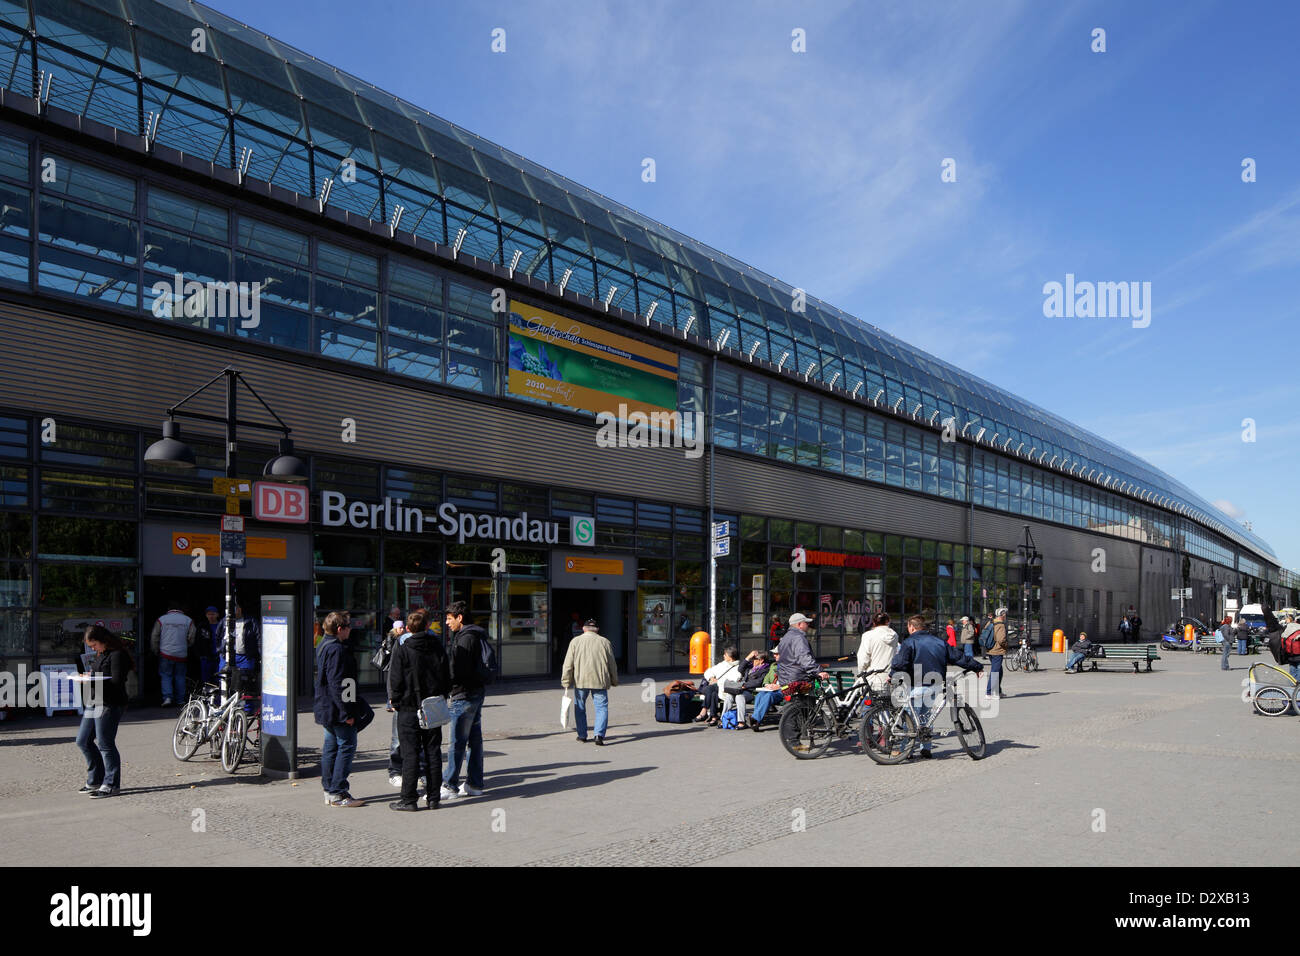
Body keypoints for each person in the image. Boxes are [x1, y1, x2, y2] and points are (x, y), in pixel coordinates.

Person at [889, 614, 983, 757]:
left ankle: (904, 750)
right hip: (935, 684)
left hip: (915, 684)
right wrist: (976, 666)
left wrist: (892, 674)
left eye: (908, 627)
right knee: (927, 716)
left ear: (912, 627)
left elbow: (901, 663)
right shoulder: (939, 641)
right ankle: (926, 747)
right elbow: (957, 657)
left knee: (911, 719)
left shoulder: (909, 642)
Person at [387, 608, 451, 811]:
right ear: (427, 626)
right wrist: (442, 694)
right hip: (431, 704)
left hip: (407, 706)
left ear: (408, 628)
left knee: (410, 753)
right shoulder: (437, 646)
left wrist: (394, 700)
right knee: (433, 751)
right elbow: (446, 674)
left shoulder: (403, 647)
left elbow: (395, 677)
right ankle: (433, 798)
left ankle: (409, 799)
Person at [76, 624, 134, 798]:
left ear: (103, 640)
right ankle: (95, 779)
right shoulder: (102, 654)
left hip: (110, 703)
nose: (93, 649)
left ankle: (111, 784)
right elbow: (96, 673)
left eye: (94, 645)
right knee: (83, 740)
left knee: (105, 743)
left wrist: (91, 679)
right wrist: (88, 677)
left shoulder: (117, 655)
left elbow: (115, 681)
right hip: (95, 700)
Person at [314, 611, 363, 808]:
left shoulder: (324, 644)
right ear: (340, 629)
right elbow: (338, 684)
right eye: (348, 626)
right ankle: (338, 791)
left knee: (331, 747)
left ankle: (329, 789)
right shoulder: (336, 649)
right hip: (337, 708)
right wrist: (347, 713)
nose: (351, 630)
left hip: (327, 707)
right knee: (346, 746)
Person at [440, 600, 489, 799]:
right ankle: (474, 784)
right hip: (476, 692)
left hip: (464, 695)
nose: (446, 622)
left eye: (449, 618)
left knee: (457, 742)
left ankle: (450, 785)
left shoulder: (465, 638)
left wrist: (448, 686)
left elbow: (459, 670)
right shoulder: (476, 634)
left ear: (460, 618)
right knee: (474, 740)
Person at [560, 618, 619, 744]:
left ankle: (582, 735)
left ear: (584, 628)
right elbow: (612, 664)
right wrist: (614, 680)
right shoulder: (605, 642)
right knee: (601, 708)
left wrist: (566, 681)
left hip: (581, 680)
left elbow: (568, 664)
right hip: (600, 680)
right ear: (597, 629)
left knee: (580, 707)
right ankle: (599, 735)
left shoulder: (575, 641)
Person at [216, 603, 260, 714]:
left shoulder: (251, 621)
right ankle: (225, 708)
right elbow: (217, 636)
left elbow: (259, 637)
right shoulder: (224, 621)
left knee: (246, 682)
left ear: (240, 609)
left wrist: (259, 655)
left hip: (245, 656)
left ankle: (247, 709)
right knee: (225, 681)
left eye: (236, 609)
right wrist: (220, 650)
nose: (233, 611)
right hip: (227, 656)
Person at [151, 604, 195, 706]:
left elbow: (154, 636)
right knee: (180, 676)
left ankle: (167, 698)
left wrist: (155, 650)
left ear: (168, 609)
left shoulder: (162, 619)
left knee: (166, 676)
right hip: (182, 654)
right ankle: (180, 700)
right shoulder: (188, 620)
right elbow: (192, 637)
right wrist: (186, 646)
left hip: (165, 653)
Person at [696, 647, 742, 724]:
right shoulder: (723, 664)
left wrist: (718, 681)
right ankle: (713, 716)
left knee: (710, 689)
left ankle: (704, 710)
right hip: (716, 687)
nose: (723, 656)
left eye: (725, 655)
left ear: (730, 657)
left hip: (726, 688)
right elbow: (709, 671)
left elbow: (733, 680)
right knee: (713, 692)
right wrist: (711, 678)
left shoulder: (738, 667)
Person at [857, 612, 898, 693]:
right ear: (888, 622)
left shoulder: (868, 635)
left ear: (874, 622)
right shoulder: (894, 635)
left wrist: (861, 672)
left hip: (872, 676)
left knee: (868, 702)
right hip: (889, 676)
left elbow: (863, 658)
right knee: (887, 703)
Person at [986, 607, 1010, 698]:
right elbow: (1001, 640)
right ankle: (988, 693)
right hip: (997, 651)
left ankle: (997, 691)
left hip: (990, 649)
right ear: (1002, 615)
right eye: (1005, 614)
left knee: (999, 671)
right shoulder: (1001, 625)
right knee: (995, 671)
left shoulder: (991, 622)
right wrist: (1006, 645)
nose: (1005, 616)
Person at [198, 606, 221, 685]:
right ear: (206, 615)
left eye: (213, 614)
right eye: (209, 614)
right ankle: (206, 696)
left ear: (217, 614)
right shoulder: (202, 626)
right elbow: (198, 641)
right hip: (206, 657)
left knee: (218, 678)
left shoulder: (222, 625)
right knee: (206, 680)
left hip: (218, 657)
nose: (211, 616)